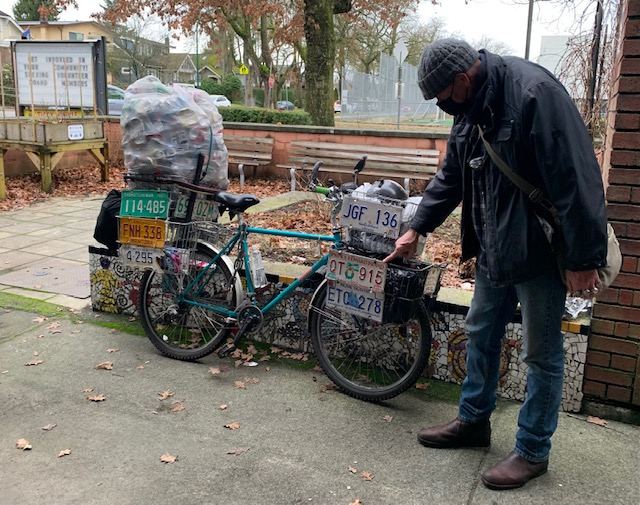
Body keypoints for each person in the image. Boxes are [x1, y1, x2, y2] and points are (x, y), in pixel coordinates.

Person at [384, 38, 608, 490]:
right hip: (494, 249)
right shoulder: (470, 108)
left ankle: (532, 450)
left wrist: (585, 258)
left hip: (541, 256)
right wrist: (418, 227)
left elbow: (577, 179)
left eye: (443, 97)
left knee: (540, 354)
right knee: (481, 332)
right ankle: (473, 422)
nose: (442, 107)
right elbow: (453, 174)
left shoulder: (534, 95)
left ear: (463, 79)